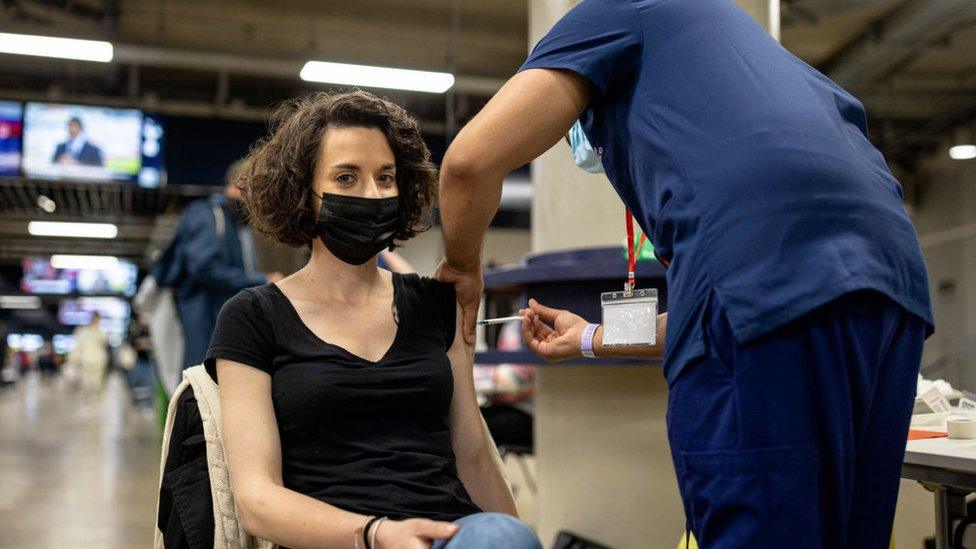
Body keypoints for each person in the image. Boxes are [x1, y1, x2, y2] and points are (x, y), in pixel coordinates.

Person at [434, 1, 933, 547]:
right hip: (894, 283)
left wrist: (461, 267)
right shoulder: (771, 74)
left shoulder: (612, 12)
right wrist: (591, 339)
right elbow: (728, 311)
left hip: (764, 272)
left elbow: (467, 164)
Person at [207, 90, 541, 549]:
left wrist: (515, 537)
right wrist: (376, 534)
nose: (373, 193)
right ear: (302, 192)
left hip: (449, 536)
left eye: (386, 177)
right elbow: (257, 499)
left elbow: (474, 456)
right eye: (346, 178)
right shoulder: (252, 317)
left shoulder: (435, 303)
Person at [152, 161, 282, 372]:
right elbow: (203, 267)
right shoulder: (208, 215)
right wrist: (261, 280)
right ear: (237, 186)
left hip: (218, 322)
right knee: (201, 379)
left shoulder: (234, 223)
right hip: (203, 318)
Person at [70, 312, 109, 404]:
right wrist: (72, 360)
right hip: (85, 361)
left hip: (98, 361)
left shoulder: (102, 332)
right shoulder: (82, 331)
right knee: (86, 382)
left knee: (96, 383)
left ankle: (95, 400)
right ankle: (87, 401)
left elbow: (104, 345)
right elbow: (77, 347)